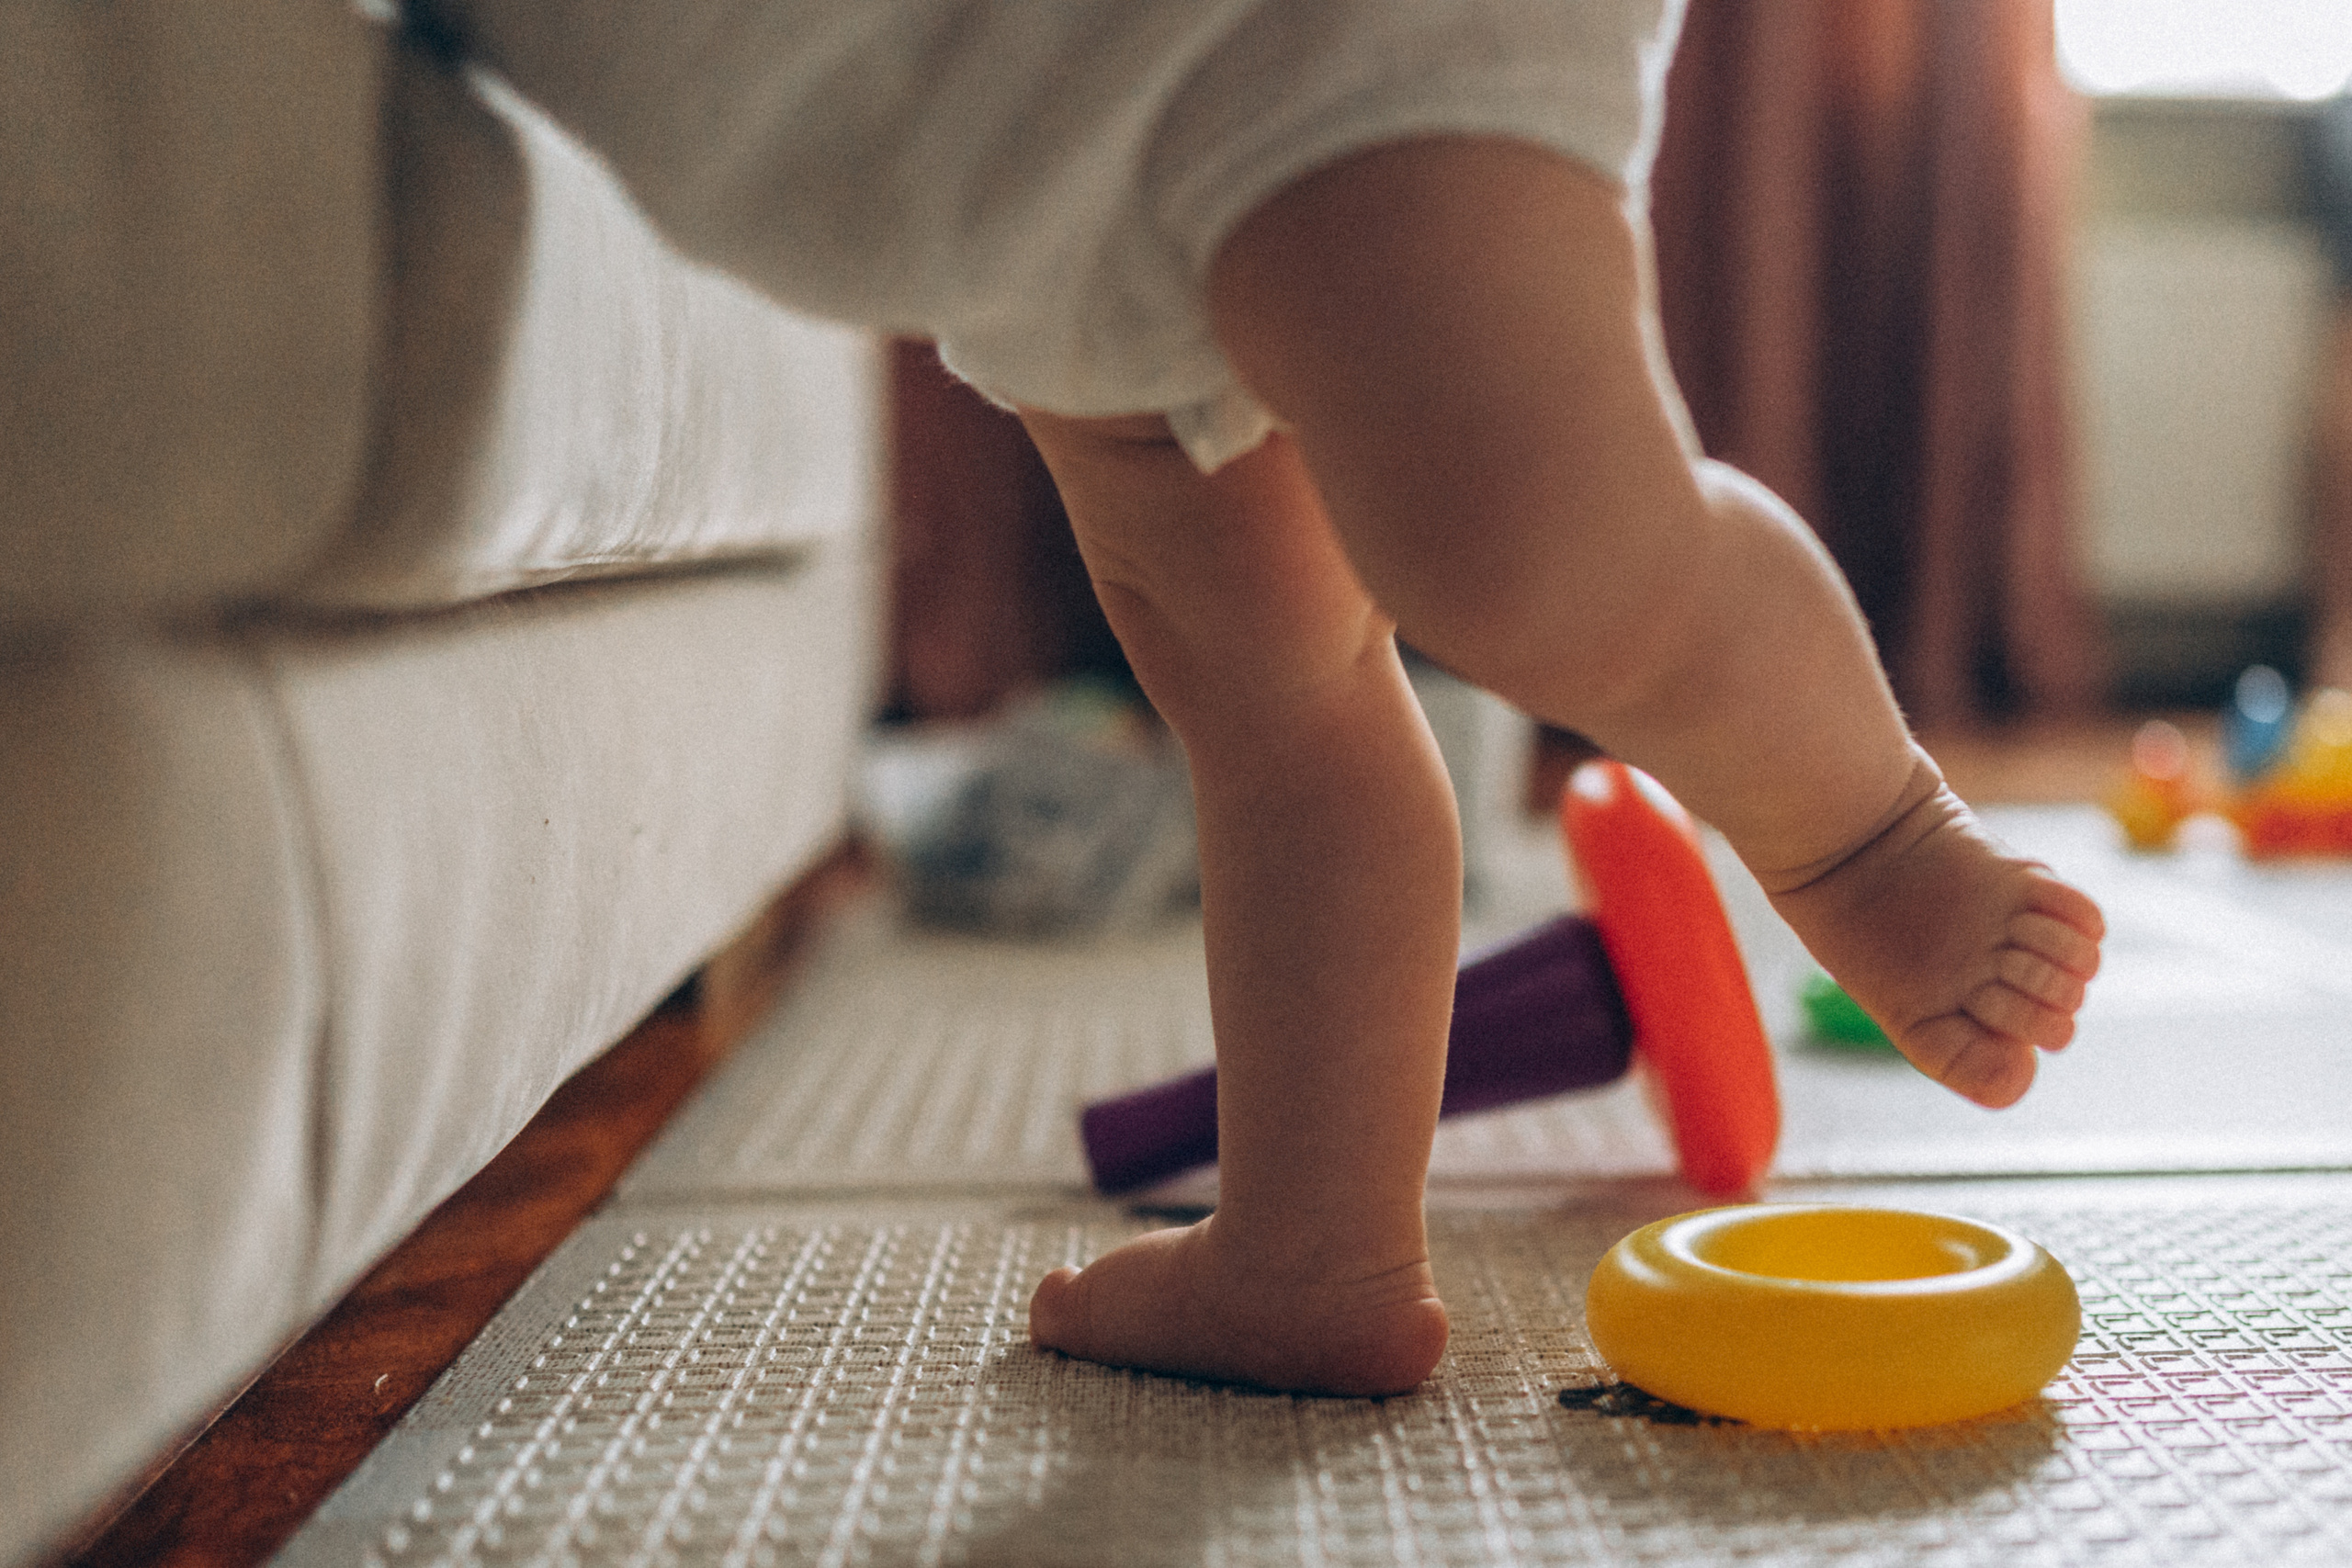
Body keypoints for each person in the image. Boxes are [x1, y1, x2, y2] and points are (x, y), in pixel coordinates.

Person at [427, 0, 2106, 1397]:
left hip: (1282, 38)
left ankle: (1869, 840)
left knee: (1526, 545)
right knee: (1275, 717)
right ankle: (1313, 1254)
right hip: (1025, 203)